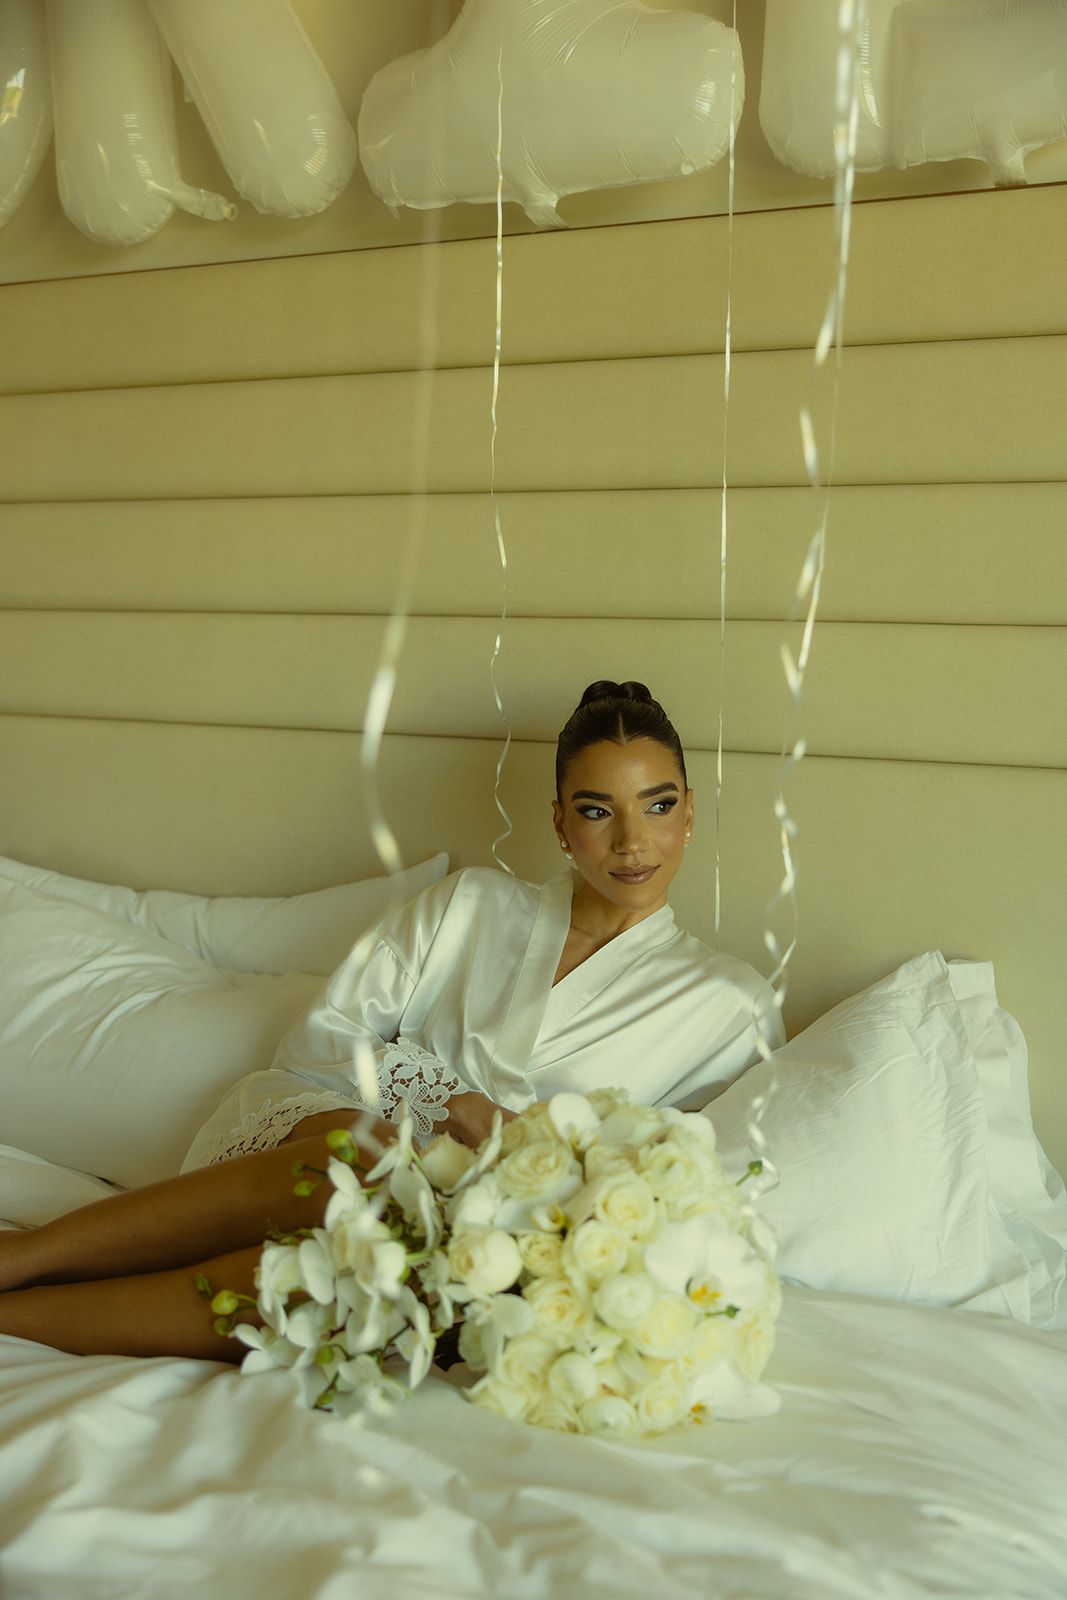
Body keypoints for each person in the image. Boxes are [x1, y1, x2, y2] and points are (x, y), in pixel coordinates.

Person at [0, 681, 782, 1362]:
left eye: (657, 805)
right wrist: (454, 1105)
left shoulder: (727, 1003)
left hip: (483, 1231)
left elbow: (696, 1191)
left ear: (689, 813)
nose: (630, 841)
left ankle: (17, 1307)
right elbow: (325, 1035)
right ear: (558, 824)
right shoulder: (472, 904)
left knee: (374, 1253)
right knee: (373, 1163)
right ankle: (21, 1261)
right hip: (324, 1128)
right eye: (595, 810)